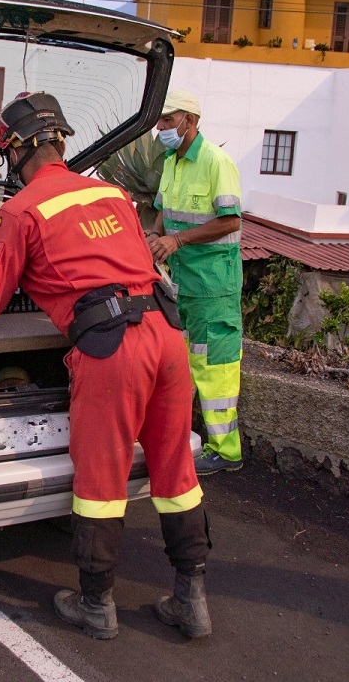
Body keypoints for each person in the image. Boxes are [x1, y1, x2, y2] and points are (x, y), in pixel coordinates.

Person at [0, 92, 213, 640]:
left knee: (101, 476)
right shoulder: (112, 193)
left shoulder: (21, 210)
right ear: (62, 141)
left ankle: (96, 604)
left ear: (13, 151)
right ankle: (192, 600)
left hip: (111, 347)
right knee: (176, 472)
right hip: (167, 335)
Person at [147, 90, 245, 476]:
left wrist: (176, 240)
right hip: (182, 283)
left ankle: (226, 450)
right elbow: (163, 212)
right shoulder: (172, 161)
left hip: (213, 286)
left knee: (214, 367)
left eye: (167, 121)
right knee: (183, 364)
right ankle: (184, 440)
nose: (160, 129)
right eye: (159, 122)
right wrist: (154, 238)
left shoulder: (216, 162)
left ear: (189, 120)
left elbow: (231, 221)